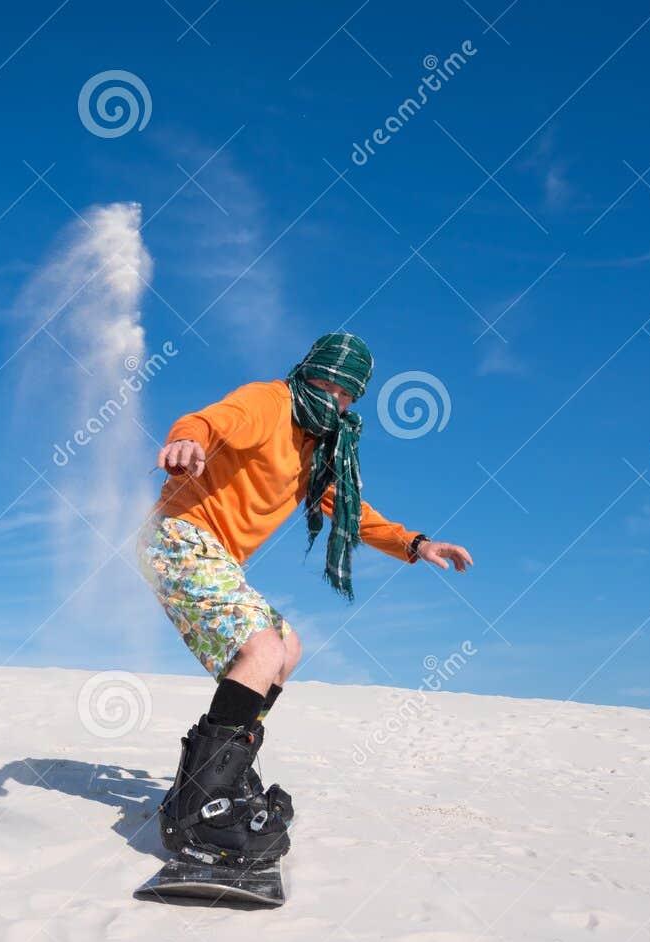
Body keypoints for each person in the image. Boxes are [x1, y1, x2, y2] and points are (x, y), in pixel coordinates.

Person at [137, 332, 474, 869]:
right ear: (309, 372)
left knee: (288, 648)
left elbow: (350, 511)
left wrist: (415, 544)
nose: (336, 401)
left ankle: (229, 770)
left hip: (216, 554)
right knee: (262, 650)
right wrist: (188, 441)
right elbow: (210, 419)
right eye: (329, 385)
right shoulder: (267, 402)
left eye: (348, 396)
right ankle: (200, 809)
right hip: (179, 535)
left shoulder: (318, 452)